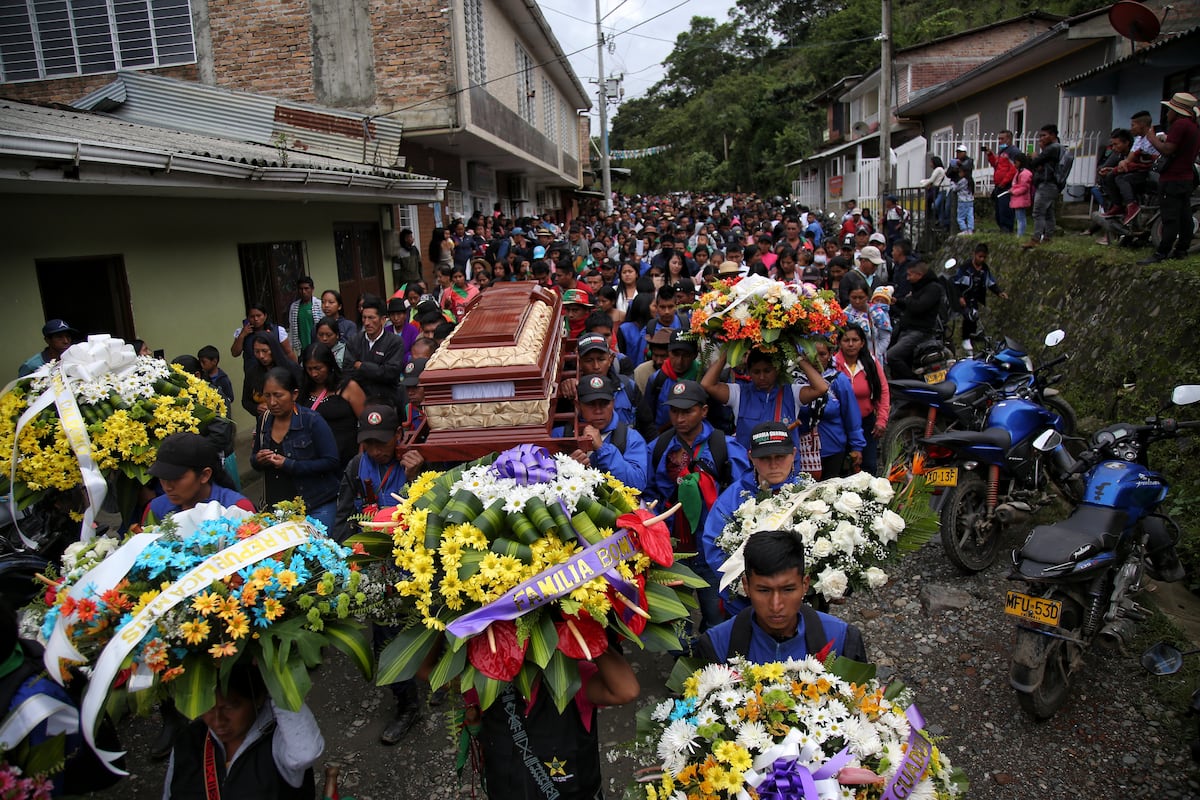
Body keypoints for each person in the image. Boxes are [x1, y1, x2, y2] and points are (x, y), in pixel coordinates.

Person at [330, 405, 426, 743]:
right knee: (386, 637)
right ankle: (407, 705)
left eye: (382, 442)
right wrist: (345, 558)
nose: (375, 450)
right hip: (376, 566)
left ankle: (440, 682)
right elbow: (344, 515)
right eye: (368, 443)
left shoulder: (418, 461)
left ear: (398, 434)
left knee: (428, 626)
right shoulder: (357, 467)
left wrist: (416, 479)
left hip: (416, 564)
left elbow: (434, 513)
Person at [645, 380, 750, 631]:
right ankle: (683, 652)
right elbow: (648, 492)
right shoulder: (658, 448)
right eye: (674, 411)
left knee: (717, 617)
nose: (679, 418)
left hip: (713, 549)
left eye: (687, 411)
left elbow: (743, 494)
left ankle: (713, 652)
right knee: (675, 622)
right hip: (673, 551)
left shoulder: (724, 446)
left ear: (704, 411)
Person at [695, 529, 867, 664]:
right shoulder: (717, 645)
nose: (776, 605)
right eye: (764, 590)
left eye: (788, 590)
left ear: (805, 584)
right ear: (746, 586)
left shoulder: (841, 640)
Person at [700, 422, 815, 615]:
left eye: (780, 456)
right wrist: (751, 588)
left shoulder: (812, 493)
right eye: (765, 458)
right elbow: (714, 547)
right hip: (745, 608)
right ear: (751, 457)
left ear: (794, 454)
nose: (773, 465)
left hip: (802, 607)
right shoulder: (732, 499)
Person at [164, 664, 323, 799]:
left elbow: (306, 753)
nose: (218, 721)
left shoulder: (280, 741)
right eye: (208, 707)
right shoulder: (189, 741)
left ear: (259, 697)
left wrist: (272, 673)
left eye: (230, 707)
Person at [700, 348, 827, 464]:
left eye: (767, 371)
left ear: (777, 369)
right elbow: (707, 385)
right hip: (748, 469)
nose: (762, 377)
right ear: (749, 372)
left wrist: (797, 358)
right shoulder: (738, 393)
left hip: (784, 470)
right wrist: (728, 352)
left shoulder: (792, 393)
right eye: (756, 372)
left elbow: (821, 388)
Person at [251, 367, 340, 531]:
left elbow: (331, 461)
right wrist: (259, 459)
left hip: (315, 506)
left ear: (294, 394)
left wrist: (290, 464)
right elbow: (254, 459)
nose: (272, 402)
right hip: (278, 510)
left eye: (278, 395)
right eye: (267, 396)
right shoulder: (264, 420)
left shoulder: (312, 421)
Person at [1140, 92, 1200, 264]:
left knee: (1170, 217)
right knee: (1185, 216)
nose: (1167, 114)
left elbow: (1167, 150)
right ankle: (1181, 250)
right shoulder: (1193, 127)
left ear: (1177, 112)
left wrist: (1151, 138)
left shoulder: (1180, 125)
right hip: (1186, 178)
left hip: (1172, 178)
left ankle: (1162, 252)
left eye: (1169, 110)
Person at [143, 433, 255, 523]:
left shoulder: (239, 509)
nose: (167, 487)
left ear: (204, 475)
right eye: (163, 478)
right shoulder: (154, 510)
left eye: (176, 478)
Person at [566, 374, 649, 492]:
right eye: (590, 404)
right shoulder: (561, 435)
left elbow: (637, 484)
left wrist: (602, 449)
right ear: (578, 405)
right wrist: (567, 467)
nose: (598, 411)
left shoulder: (631, 438)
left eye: (604, 403)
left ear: (613, 403)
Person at [832, 325, 889, 476]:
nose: (851, 344)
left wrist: (882, 420)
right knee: (841, 470)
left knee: (868, 468)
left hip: (866, 424)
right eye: (846, 340)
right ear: (839, 342)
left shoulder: (871, 363)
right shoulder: (833, 364)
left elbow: (883, 391)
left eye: (855, 340)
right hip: (839, 426)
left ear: (862, 343)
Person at [299, 343, 366, 469]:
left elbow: (366, 423)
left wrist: (361, 457)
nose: (314, 374)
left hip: (346, 459)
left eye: (318, 368)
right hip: (313, 461)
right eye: (309, 369)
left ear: (329, 365)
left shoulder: (349, 387)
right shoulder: (303, 390)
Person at [812, 339, 865, 478]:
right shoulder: (795, 380)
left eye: (822, 354)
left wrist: (857, 446)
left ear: (830, 355)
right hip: (801, 451)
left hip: (832, 450)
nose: (817, 360)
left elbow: (851, 416)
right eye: (812, 354)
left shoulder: (838, 380)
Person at [561, 333, 639, 425]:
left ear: (610, 359)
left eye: (601, 359)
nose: (596, 366)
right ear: (579, 363)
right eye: (589, 360)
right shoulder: (572, 389)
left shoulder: (628, 386)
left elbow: (647, 426)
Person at [886, 261, 945, 381]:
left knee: (892, 356)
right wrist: (897, 301)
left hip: (919, 332)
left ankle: (913, 381)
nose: (907, 278)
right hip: (906, 329)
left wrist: (908, 300)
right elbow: (910, 305)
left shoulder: (933, 288)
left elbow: (919, 306)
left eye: (910, 275)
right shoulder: (918, 287)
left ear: (919, 274)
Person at [344, 296, 406, 409]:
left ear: (383, 319)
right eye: (364, 318)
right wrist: (377, 370)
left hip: (387, 400)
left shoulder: (395, 342)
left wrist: (361, 366)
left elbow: (390, 373)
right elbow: (348, 370)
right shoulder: (354, 341)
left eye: (371, 318)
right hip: (359, 399)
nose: (367, 323)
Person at [951, 243, 1008, 354]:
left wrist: (999, 292)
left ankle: (971, 338)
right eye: (980, 256)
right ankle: (965, 339)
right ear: (974, 254)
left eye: (984, 257)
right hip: (964, 296)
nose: (981, 259)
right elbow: (956, 283)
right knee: (968, 317)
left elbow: (990, 282)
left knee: (974, 317)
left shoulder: (985, 269)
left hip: (975, 297)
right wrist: (959, 297)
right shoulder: (965, 267)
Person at [1107, 110, 1161, 226]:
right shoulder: (1138, 139)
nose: (1131, 128)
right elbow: (1130, 158)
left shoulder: (1157, 135)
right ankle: (1117, 205)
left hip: (1152, 173)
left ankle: (1132, 205)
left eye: (1133, 125)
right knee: (1111, 176)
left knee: (1121, 179)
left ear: (1142, 125)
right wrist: (1123, 163)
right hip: (1140, 170)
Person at [241, 331, 304, 417]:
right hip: (265, 420)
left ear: (273, 349)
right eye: (257, 351)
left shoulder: (292, 369)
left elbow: (303, 396)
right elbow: (246, 401)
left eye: (264, 351)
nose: (261, 356)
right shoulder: (252, 372)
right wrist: (256, 408)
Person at [1024, 124, 1063, 247]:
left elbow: (1035, 162)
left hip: (1047, 184)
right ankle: (1048, 237)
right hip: (1051, 184)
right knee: (1048, 212)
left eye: (1044, 135)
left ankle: (1036, 238)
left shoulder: (1052, 148)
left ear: (1052, 135)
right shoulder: (1057, 148)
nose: (1041, 138)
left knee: (1038, 212)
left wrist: (1034, 156)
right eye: (1040, 136)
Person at [983, 131, 1017, 233]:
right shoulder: (1001, 152)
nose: (999, 141)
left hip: (1006, 185)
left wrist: (1004, 182)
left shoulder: (1013, 151)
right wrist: (990, 155)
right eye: (999, 139)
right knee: (998, 209)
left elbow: (1013, 169)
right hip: (999, 184)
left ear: (1009, 139)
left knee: (1005, 208)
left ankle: (1007, 229)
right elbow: (996, 165)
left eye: (1002, 139)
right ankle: (1002, 228)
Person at [286, 276, 323, 355]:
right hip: (302, 349)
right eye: (301, 289)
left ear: (312, 289)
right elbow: (292, 328)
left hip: (318, 347)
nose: (303, 292)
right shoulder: (294, 307)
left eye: (306, 288)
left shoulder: (319, 305)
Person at [1009, 151, 1034, 239]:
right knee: (1019, 217)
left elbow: (1024, 187)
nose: (1014, 164)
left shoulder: (1025, 174)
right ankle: (1020, 234)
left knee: (1021, 218)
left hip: (1021, 199)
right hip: (1017, 199)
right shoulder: (1019, 172)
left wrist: (1014, 191)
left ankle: (1021, 234)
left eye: (1015, 162)